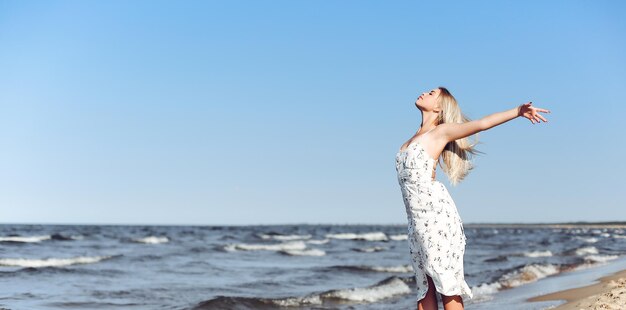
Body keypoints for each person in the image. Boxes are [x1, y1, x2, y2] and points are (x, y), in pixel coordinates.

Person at [395, 87, 550, 310]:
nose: (424, 93)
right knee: (424, 286)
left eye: (431, 93)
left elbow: (482, 123)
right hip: (416, 221)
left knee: (446, 285)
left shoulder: (440, 132)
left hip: (435, 216)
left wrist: (517, 111)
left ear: (439, 107)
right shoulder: (413, 138)